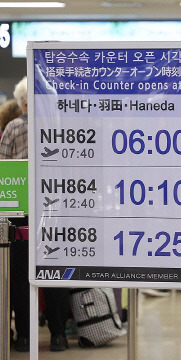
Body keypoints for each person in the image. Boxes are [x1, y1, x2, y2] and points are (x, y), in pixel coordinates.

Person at [0, 76, 71, 352]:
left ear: (22, 102)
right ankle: (58, 335)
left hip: (21, 212)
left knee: (20, 273)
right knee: (54, 271)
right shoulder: (60, 126)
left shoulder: (14, 127)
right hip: (56, 208)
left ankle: (26, 336)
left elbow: (4, 170)